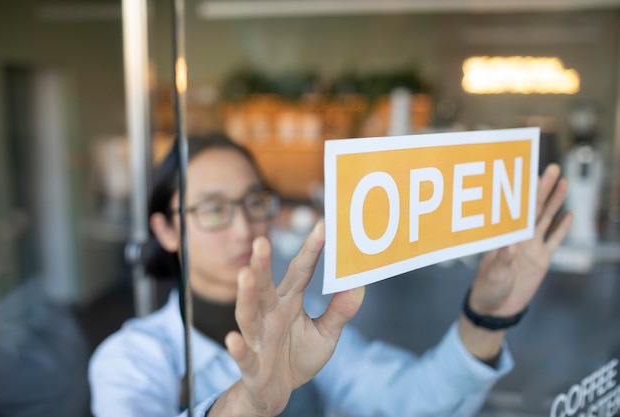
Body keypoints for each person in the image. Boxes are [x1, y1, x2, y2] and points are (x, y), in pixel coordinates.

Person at [89, 131, 572, 417]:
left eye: (254, 201)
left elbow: (411, 403)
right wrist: (245, 405)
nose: (244, 227)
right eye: (213, 210)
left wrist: (485, 317)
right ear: (167, 230)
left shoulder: (306, 325)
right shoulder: (128, 361)